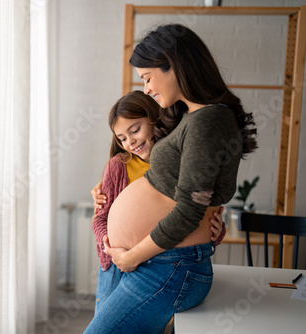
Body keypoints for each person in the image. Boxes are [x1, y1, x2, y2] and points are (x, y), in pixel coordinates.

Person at [84, 24, 257, 333]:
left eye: (148, 78)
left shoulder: (208, 120)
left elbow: (190, 211)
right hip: (162, 263)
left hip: (168, 265)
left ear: (174, 65)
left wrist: (132, 257)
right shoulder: (192, 118)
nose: (147, 88)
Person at [90, 90, 226, 314]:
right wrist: (111, 241)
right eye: (122, 138)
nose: (130, 142)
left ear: (155, 118)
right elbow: (100, 218)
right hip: (118, 265)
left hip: (164, 264)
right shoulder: (120, 165)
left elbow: (195, 217)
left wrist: (217, 231)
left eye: (135, 130)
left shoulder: (183, 162)